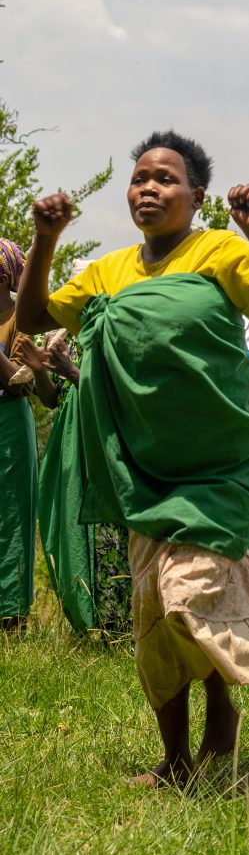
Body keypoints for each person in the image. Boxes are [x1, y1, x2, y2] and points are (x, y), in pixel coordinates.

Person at [16, 130, 249, 786]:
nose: (148, 188)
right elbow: (37, 317)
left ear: (197, 196)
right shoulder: (108, 270)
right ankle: (177, 759)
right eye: (139, 179)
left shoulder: (219, 251)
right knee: (152, 615)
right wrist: (44, 240)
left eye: (165, 179)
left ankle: (220, 707)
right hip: (144, 472)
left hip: (222, 463)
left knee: (187, 597)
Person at [39, 315, 132, 636]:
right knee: (70, 524)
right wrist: (39, 368)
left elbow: (120, 392)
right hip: (69, 441)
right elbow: (51, 398)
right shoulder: (57, 335)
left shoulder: (117, 333)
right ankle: (85, 620)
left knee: (110, 532)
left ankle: (118, 624)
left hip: (106, 441)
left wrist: (72, 370)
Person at [0, 238, 57, 631]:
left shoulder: (20, 318)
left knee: (12, 516)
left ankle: (9, 613)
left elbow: (23, 384)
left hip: (8, 423)